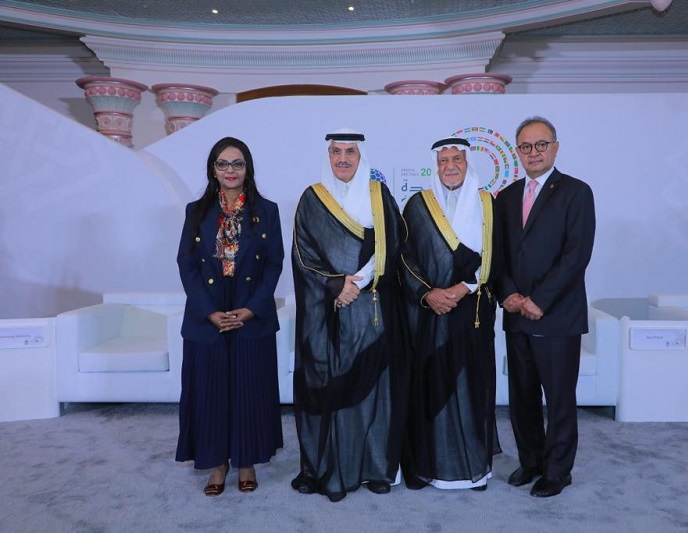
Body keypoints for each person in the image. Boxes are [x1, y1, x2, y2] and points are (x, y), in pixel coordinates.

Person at [290, 128, 405, 502]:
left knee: (375, 388)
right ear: (328, 156)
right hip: (330, 313)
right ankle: (330, 467)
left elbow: (394, 242)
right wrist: (336, 285)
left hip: (371, 308)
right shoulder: (312, 198)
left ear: (361, 156)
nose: (342, 158)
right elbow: (303, 254)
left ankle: (375, 468)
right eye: (336, 151)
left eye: (350, 152)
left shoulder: (379, 195)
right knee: (336, 388)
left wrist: (360, 281)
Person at [175, 136, 284, 496]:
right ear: (213, 169)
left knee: (249, 389)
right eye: (223, 164)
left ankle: (247, 461)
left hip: (250, 308)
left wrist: (252, 309)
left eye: (237, 163)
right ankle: (217, 463)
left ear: (247, 168)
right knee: (211, 391)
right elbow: (186, 264)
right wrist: (209, 312)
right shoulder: (196, 210)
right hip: (207, 310)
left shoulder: (267, 210)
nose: (230, 170)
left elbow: (274, 263)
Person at [494, 116, 595, 498]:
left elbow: (576, 254)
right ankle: (531, 461)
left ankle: (557, 472)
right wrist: (508, 295)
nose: (533, 152)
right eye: (525, 146)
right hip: (516, 314)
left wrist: (540, 300)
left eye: (540, 145)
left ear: (555, 147)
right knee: (522, 398)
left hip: (557, 316)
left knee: (559, 399)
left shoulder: (576, 192)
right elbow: (499, 255)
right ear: (517, 152)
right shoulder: (505, 197)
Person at [400, 137, 501, 491]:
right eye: (443, 161)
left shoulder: (487, 204)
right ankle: (429, 467)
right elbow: (404, 257)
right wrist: (428, 294)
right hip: (430, 313)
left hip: (472, 311)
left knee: (471, 387)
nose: (450, 166)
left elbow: (496, 254)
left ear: (467, 163)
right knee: (430, 386)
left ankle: (473, 468)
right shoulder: (417, 204)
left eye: (457, 159)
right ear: (436, 166)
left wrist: (462, 289)